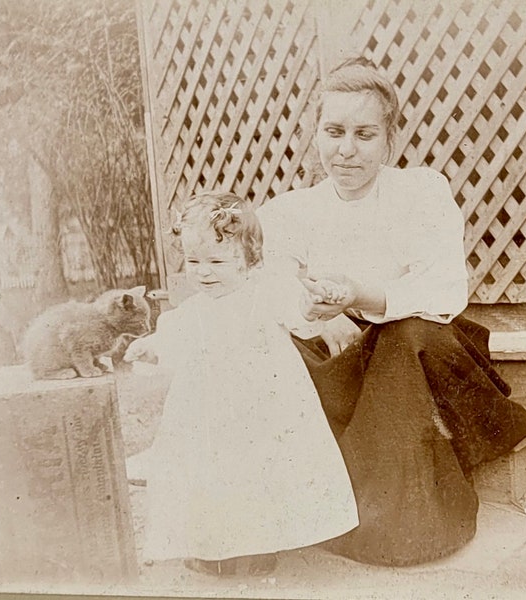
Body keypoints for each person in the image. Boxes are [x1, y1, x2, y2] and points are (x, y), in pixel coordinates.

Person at [257, 58, 526, 567]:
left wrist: (361, 297)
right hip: (339, 350)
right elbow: (269, 280)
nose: (346, 150)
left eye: (365, 134)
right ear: (314, 132)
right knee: (262, 340)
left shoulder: (421, 192)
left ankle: (405, 521)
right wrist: (322, 314)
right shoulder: (290, 211)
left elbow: (443, 286)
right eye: (334, 131)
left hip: (419, 347)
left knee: (405, 336)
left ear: (390, 140)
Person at [124, 192, 358, 576]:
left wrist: (313, 303)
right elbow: (175, 339)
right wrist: (150, 347)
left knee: (259, 475)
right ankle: (210, 548)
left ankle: (259, 547)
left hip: (263, 408)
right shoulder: (195, 309)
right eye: (194, 261)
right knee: (208, 474)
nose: (203, 272)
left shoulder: (265, 293)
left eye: (217, 261)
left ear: (251, 261)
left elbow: (299, 312)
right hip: (207, 411)